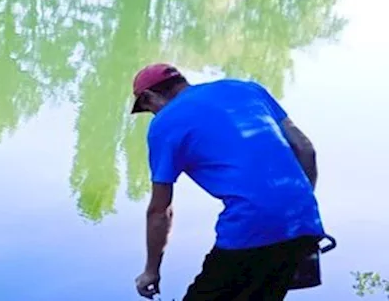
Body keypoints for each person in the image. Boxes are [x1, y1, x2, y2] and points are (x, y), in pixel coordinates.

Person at [131, 64, 323, 301]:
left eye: (148, 109)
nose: (154, 115)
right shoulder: (246, 89)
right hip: (304, 219)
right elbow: (305, 150)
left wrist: (151, 271)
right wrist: (293, 209)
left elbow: (160, 211)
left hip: (251, 226)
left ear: (149, 96)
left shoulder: (164, 124)